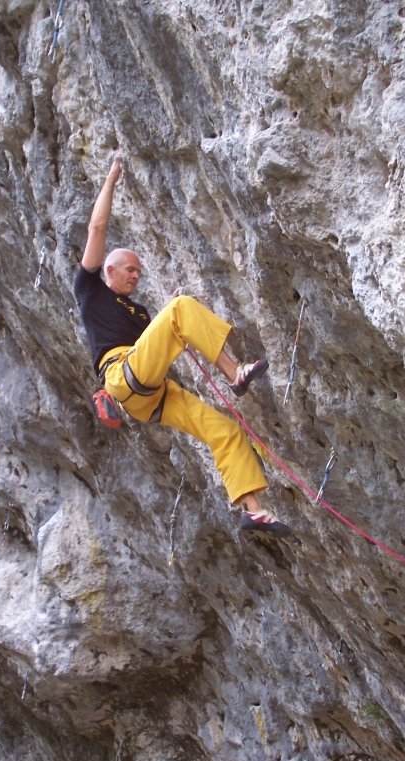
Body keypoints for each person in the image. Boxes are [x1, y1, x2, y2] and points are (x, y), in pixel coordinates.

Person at [73, 152, 292, 538]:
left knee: (223, 431)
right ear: (109, 270)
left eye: (139, 272)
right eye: (130, 270)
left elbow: (159, 342)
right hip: (121, 376)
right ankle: (234, 374)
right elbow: (97, 227)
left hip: (151, 394)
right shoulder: (89, 289)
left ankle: (252, 509)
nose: (136, 276)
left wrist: (168, 315)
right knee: (179, 309)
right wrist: (111, 177)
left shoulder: (139, 314)